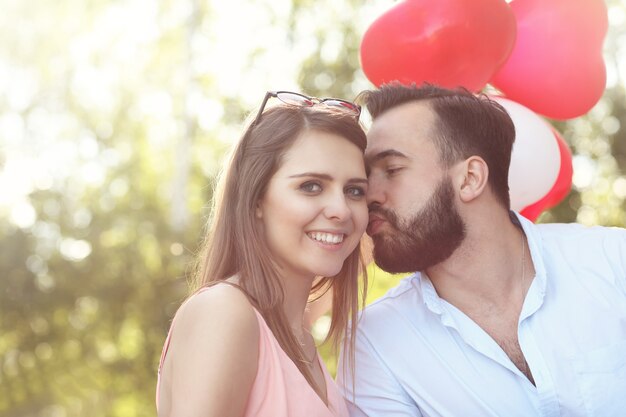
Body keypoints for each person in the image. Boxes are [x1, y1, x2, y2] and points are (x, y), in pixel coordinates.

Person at [337, 83, 626, 417]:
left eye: (392, 169)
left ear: (470, 178)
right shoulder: (374, 343)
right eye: (366, 175)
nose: (369, 194)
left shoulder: (613, 261)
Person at [157, 90, 370, 417]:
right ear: (256, 199)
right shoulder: (224, 313)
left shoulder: (297, 336)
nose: (341, 209)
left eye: (355, 190)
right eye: (311, 186)